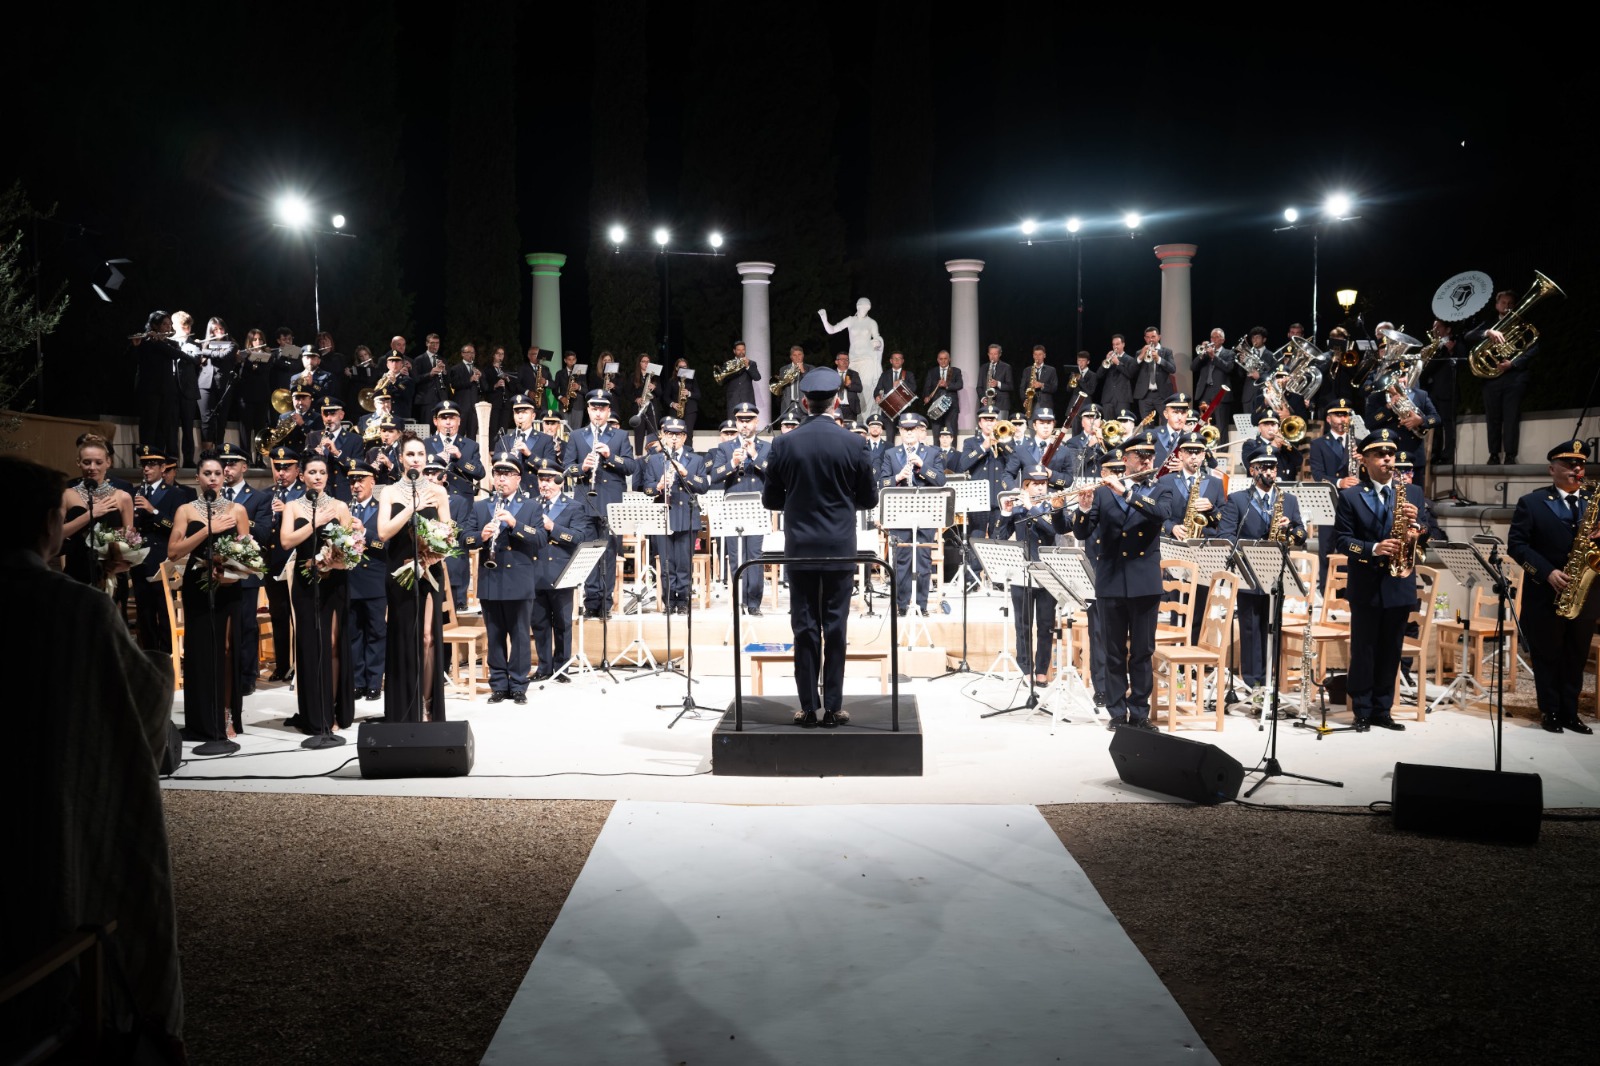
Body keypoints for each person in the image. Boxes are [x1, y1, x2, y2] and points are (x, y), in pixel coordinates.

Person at [1, 455, 185, 1059]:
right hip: (52, 797)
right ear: (46, 525)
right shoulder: (74, 608)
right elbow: (143, 706)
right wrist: (157, 668)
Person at [763, 368, 880, 728]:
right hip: (839, 548)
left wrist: (799, 500)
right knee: (836, 627)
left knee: (804, 627)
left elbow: (771, 501)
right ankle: (832, 707)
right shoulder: (854, 443)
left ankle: (807, 708)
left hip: (799, 548)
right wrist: (841, 502)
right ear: (837, 401)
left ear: (803, 402)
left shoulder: (784, 444)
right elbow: (869, 499)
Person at [1333, 430, 1426, 731]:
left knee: (1391, 650)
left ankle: (1383, 710)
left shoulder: (1413, 493)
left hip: (1400, 583)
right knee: (1364, 649)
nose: (1388, 459)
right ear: (1365, 460)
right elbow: (1342, 540)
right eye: (1379, 454)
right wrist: (1373, 548)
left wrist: (1418, 526)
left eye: (1391, 454)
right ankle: (1362, 709)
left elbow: (1430, 532)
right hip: (1367, 584)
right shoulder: (1350, 496)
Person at [1071, 431, 1166, 729]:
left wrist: (1126, 493)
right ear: (1126, 460)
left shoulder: (1161, 488)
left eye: (1150, 456)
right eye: (1141, 456)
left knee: (1142, 652)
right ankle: (1116, 713)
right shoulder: (1102, 493)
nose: (1147, 460)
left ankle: (1139, 713)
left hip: (1144, 583)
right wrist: (1083, 508)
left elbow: (1160, 513)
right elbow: (1082, 532)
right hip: (1111, 581)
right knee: (1113, 652)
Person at [1508, 440, 1599, 734]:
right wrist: (1547, 573)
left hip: (1586, 594)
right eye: (1569, 464)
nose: (1576, 469)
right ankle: (1550, 711)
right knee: (1548, 654)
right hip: (1545, 593)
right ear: (1552, 469)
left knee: (1576, 655)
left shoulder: (1594, 502)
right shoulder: (1532, 502)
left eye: (1580, 464)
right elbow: (1517, 546)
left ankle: (1571, 713)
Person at [171, 455, 254, 754]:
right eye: (207, 473)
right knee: (201, 651)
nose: (213, 478)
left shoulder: (237, 510)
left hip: (229, 587)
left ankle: (227, 714)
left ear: (224, 477)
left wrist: (233, 572)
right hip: (198, 586)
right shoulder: (185, 511)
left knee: (228, 650)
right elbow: (173, 551)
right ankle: (202, 717)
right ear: (198, 478)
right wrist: (207, 528)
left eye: (218, 473)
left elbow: (250, 555)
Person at [279, 456, 357, 747]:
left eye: (322, 472)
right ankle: (316, 712)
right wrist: (316, 522)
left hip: (335, 581)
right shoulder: (293, 506)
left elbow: (351, 550)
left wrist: (334, 561)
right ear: (302, 476)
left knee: (334, 643)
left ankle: (334, 708)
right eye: (312, 472)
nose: (317, 477)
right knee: (312, 646)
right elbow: (286, 542)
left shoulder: (340, 506)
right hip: (305, 581)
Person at [1217, 453, 1308, 696]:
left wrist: (1290, 528)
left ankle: (1270, 680)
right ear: (1252, 470)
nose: (1269, 472)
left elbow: (1302, 533)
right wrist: (1248, 551)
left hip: (1277, 572)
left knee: (1273, 627)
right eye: (1264, 468)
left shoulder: (1288, 500)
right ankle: (1252, 683)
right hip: (1249, 573)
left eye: (1273, 468)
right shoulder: (1238, 499)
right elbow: (1226, 535)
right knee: (1250, 627)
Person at [378, 433, 453, 722]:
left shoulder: (438, 492)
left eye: (420, 454)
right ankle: (404, 705)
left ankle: (427, 703)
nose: (416, 459)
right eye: (410, 454)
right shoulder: (389, 492)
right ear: (400, 459)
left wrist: (434, 556)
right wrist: (412, 506)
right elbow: (383, 533)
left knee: (427, 637)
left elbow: (448, 536)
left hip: (430, 571)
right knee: (404, 637)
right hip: (400, 572)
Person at [463, 453, 541, 703]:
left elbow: (540, 539)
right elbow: (464, 538)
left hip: (519, 580)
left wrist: (515, 524)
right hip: (491, 579)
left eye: (507, 475)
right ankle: (498, 684)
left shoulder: (531, 506)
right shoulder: (480, 506)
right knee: (495, 634)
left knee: (520, 636)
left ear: (518, 478)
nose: (501, 479)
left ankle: (518, 685)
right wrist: (481, 536)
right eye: (498, 474)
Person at [566, 389, 637, 618]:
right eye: (594, 408)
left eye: (602, 409)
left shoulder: (620, 436)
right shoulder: (577, 436)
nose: (598, 413)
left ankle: (606, 603)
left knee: (608, 554)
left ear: (608, 411)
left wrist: (610, 456)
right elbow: (567, 468)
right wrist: (582, 468)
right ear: (588, 410)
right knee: (587, 552)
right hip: (585, 501)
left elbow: (631, 466)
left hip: (610, 503)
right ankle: (591, 602)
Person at [996, 465, 1069, 686]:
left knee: (1045, 625)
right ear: (1025, 487)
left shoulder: (1054, 506)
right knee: (1023, 625)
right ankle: (1026, 668)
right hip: (1022, 573)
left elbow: (1053, 530)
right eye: (1034, 484)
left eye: (1042, 484)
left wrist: (1031, 508)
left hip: (1047, 573)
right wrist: (1006, 513)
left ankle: (1042, 670)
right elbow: (1000, 536)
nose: (1040, 488)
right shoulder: (1018, 509)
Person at [1153, 431, 1225, 642]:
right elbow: (1157, 514)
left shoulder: (1215, 483)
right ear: (1181, 454)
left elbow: (1224, 518)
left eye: (1198, 452)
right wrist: (1171, 527)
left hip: (1203, 550)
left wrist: (1211, 510)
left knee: (1200, 605)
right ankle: (1176, 649)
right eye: (1189, 452)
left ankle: (1194, 649)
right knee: (1177, 604)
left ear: (1203, 455)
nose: (1194, 456)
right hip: (1176, 548)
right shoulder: (1165, 481)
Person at [529, 459, 595, 681]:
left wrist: (553, 528)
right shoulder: (531, 504)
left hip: (561, 572)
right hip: (536, 571)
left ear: (559, 481)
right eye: (541, 479)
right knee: (539, 622)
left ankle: (562, 667)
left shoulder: (573, 506)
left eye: (549, 480)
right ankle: (543, 667)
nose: (544, 484)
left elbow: (579, 537)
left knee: (562, 623)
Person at [879, 412, 946, 616]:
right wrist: (898, 477)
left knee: (923, 560)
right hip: (900, 514)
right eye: (905, 429)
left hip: (925, 514)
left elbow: (941, 481)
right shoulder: (891, 454)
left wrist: (922, 466)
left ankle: (921, 605)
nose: (908, 433)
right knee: (902, 560)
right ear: (900, 431)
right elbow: (882, 483)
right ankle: (901, 605)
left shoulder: (932, 453)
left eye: (912, 429)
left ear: (919, 431)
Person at [708, 402, 770, 615]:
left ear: (756, 422)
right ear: (736, 422)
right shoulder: (725, 448)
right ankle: (739, 600)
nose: (745, 424)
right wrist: (732, 464)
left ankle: (754, 603)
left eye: (749, 420)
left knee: (755, 556)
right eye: (741, 420)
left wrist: (755, 456)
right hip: (733, 506)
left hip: (757, 506)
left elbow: (775, 472)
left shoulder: (766, 447)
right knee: (736, 556)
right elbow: (714, 476)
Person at [643, 417, 709, 614]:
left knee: (684, 564)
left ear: (684, 437)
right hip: (663, 517)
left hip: (687, 516)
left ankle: (683, 601)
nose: (673, 438)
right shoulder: (654, 460)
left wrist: (686, 474)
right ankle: (669, 601)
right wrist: (658, 486)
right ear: (663, 436)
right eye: (670, 434)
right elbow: (646, 488)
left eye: (678, 435)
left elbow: (704, 486)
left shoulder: (695, 460)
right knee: (666, 564)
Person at [129, 444, 189, 653]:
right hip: (139, 560)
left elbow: (176, 527)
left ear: (163, 468)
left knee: (164, 612)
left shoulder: (175, 494)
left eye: (152, 465)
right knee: (144, 614)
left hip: (163, 559)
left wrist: (153, 511)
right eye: (144, 464)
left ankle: (167, 656)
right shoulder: (135, 492)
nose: (146, 469)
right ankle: (149, 656)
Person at [1465, 289, 1531, 464]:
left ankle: (1510, 455)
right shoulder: (1489, 324)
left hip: (1514, 378)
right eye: (1503, 303)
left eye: (1510, 303)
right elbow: (1468, 336)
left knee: (1511, 417)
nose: (1507, 306)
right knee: (1492, 418)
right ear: (1496, 305)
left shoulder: (1522, 323)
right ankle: (1493, 454)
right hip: (1491, 379)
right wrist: (1488, 332)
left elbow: (1533, 348)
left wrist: (1513, 363)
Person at [60, 433, 134, 587]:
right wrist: (91, 515)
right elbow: (57, 533)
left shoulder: (122, 497)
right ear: (78, 463)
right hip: (76, 572)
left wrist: (121, 563)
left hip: (110, 576)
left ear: (108, 462)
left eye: (98, 462)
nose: (92, 468)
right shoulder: (67, 495)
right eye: (87, 462)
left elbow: (130, 541)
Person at [345, 463, 387, 703]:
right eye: (352, 481)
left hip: (374, 582)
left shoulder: (382, 509)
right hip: (350, 581)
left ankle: (374, 682)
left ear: (373, 482)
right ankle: (357, 682)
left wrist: (365, 533)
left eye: (361, 480)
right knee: (353, 634)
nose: (356, 485)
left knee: (376, 633)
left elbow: (386, 545)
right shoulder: (344, 509)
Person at [263, 445, 305, 681]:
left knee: (299, 615)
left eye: (287, 468)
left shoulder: (304, 493)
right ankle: (281, 665)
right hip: (274, 562)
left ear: (297, 470)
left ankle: (299, 664)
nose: (281, 473)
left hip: (297, 561)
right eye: (278, 468)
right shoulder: (267, 494)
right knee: (278, 614)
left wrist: (287, 510)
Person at [303, 395, 362, 502]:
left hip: (344, 495)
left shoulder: (355, 439)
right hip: (319, 494)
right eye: (325, 414)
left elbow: (358, 468)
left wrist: (337, 453)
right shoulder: (312, 437)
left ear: (341, 415)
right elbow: (304, 467)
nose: (329, 419)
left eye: (332, 414)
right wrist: (313, 457)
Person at [1132, 327, 1176, 423]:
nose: (1150, 339)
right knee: (1147, 426)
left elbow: (1172, 369)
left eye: (1153, 336)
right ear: (1145, 339)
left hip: (1162, 395)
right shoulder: (1140, 352)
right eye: (1148, 337)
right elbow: (1131, 371)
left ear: (1159, 337)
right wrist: (1141, 356)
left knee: (1166, 423)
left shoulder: (1167, 352)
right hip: (1145, 395)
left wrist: (1159, 359)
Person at [446, 342, 484, 438]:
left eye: (473, 353)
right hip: (462, 407)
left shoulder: (477, 369)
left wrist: (481, 378)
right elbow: (454, 385)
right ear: (462, 354)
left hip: (474, 408)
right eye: (468, 352)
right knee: (459, 434)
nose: (471, 355)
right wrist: (469, 380)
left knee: (472, 435)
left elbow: (485, 388)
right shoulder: (456, 369)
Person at [412, 332, 449, 415]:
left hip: (442, 399)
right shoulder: (419, 360)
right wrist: (430, 374)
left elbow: (448, 381)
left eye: (437, 343)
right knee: (427, 423)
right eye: (432, 343)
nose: (435, 345)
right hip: (426, 400)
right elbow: (416, 379)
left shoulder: (443, 360)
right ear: (427, 343)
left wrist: (444, 371)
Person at [554, 349, 589, 431]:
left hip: (578, 406)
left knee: (576, 431)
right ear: (565, 360)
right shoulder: (559, 373)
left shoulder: (581, 374)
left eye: (573, 359)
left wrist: (579, 387)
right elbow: (554, 390)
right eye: (569, 360)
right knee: (566, 431)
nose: (572, 362)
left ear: (576, 360)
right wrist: (561, 398)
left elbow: (586, 390)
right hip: (564, 405)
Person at [1021, 344, 1058, 419]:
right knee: (1031, 424)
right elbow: (1022, 388)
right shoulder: (1027, 370)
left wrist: (1041, 385)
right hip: (1031, 403)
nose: (1037, 357)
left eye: (1040, 354)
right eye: (1035, 354)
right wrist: (1025, 399)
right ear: (1033, 356)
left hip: (1046, 404)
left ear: (1044, 355)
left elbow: (1054, 387)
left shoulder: (1051, 370)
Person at [980, 343, 1015, 418]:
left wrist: (998, 384)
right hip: (987, 405)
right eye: (991, 354)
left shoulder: (1006, 367)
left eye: (995, 354)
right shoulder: (983, 367)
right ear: (988, 354)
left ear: (999, 354)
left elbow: (1010, 386)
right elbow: (979, 387)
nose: (992, 356)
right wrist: (983, 398)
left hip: (1002, 405)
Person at [833, 351, 864, 424]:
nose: (845, 361)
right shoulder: (831, 374)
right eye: (842, 359)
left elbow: (859, 388)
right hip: (835, 407)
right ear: (836, 362)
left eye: (847, 359)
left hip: (850, 408)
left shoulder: (854, 374)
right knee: (836, 428)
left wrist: (849, 386)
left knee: (850, 429)